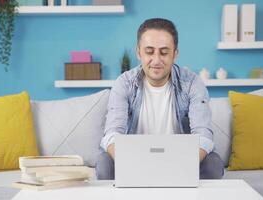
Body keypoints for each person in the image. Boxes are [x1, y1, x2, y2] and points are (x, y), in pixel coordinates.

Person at [96, 18, 224, 180]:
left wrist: (178, 166)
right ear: (138, 52)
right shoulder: (124, 83)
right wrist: (134, 163)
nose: (156, 60)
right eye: (149, 52)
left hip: (181, 162)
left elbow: (204, 136)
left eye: (164, 52)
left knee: (213, 163)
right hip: (134, 160)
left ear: (175, 54)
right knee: (104, 162)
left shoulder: (192, 83)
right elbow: (112, 134)